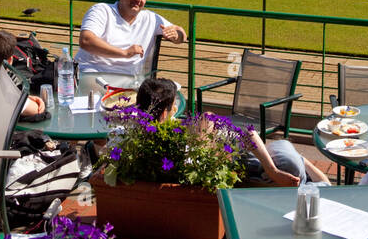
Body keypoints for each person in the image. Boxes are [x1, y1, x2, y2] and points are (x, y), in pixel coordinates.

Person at [133, 78, 330, 187]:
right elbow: (248, 134)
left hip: (260, 163)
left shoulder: (139, 142)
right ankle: (303, 168)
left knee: (306, 174)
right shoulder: (200, 125)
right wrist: (273, 172)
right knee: (309, 176)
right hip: (263, 163)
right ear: (170, 110)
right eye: (174, 102)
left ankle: (303, 168)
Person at [75, 0, 186, 74]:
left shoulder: (151, 18)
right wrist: (125, 53)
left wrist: (177, 35)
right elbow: (86, 41)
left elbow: (182, 35)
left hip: (129, 82)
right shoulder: (101, 10)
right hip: (92, 73)